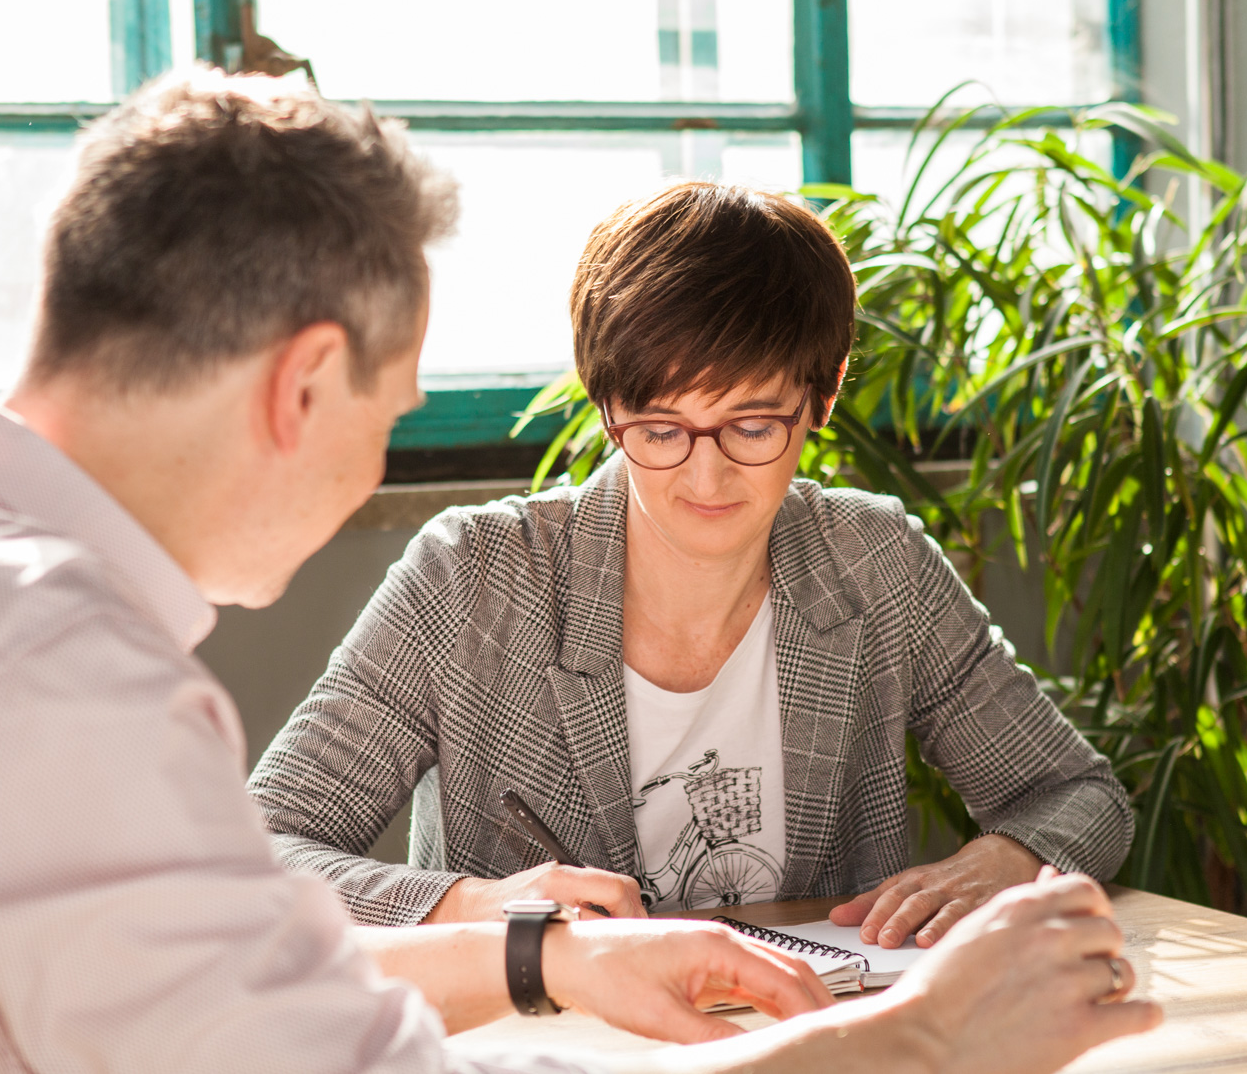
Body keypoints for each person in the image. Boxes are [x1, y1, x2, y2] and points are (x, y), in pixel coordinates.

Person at [0, 66, 1161, 1073]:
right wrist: (932, 1038)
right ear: (305, 385)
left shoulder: (7, 611)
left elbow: (237, 987)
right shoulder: (65, 673)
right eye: (392, 414)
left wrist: (540, 952)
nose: (374, 465)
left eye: (752, 421)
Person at [246, 178, 1135, 953]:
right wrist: (474, 906)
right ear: (606, 410)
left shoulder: (876, 564)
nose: (706, 476)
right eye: (661, 429)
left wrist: (1010, 855)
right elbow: (258, 850)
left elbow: (1076, 793)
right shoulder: (471, 580)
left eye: (753, 426)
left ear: (820, 396)